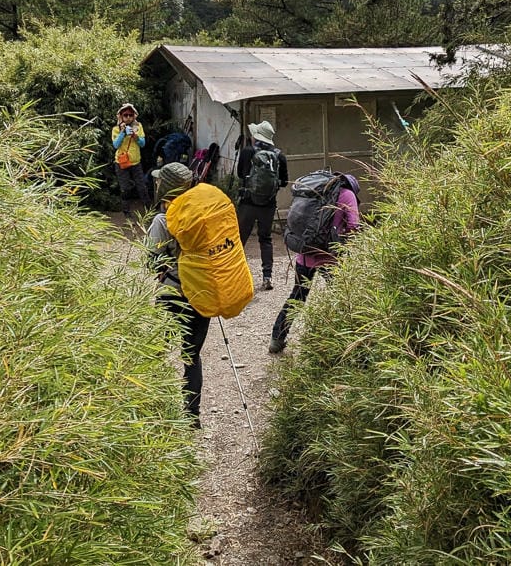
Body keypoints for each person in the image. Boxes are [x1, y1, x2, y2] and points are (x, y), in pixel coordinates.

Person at [146, 161, 253, 427]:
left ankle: (153, 411)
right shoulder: (206, 214)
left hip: (171, 295)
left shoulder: (163, 220)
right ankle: (192, 417)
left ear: (165, 187)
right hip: (200, 295)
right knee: (191, 357)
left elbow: (152, 261)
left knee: (154, 352)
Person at [269, 173, 361, 354]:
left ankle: (276, 340)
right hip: (330, 257)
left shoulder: (317, 191)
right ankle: (346, 342)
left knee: (297, 297)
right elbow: (353, 225)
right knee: (343, 297)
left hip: (305, 254)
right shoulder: (347, 195)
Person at [235, 120, 288, 290]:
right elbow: (284, 181)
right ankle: (267, 276)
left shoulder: (248, 151)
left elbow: (240, 174)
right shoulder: (279, 155)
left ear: (256, 137)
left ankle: (235, 277)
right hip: (268, 204)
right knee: (265, 239)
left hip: (248, 203)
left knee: (240, 239)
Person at [111, 103, 151, 217]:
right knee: (125, 189)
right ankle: (126, 212)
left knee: (142, 187)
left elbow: (142, 144)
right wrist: (123, 133)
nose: (128, 117)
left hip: (136, 163)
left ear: (134, 116)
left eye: (130, 115)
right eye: (125, 115)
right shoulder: (116, 129)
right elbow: (116, 145)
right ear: (121, 116)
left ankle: (149, 209)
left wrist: (135, 136)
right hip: (121, 163)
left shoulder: (138, 126)